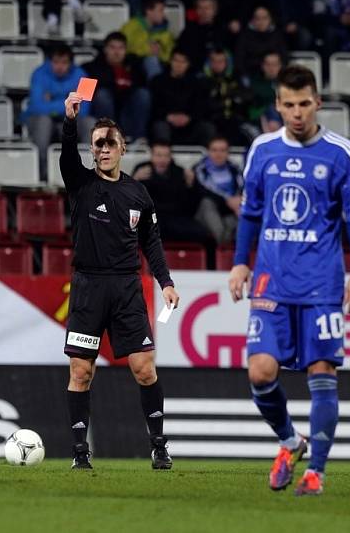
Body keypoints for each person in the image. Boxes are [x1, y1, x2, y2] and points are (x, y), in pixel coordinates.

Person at [228, 65, 350, 496]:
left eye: (304, 103)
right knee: (259, 371)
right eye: (288, 104)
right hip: (271, 281)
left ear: (318, 103)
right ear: (277, 105)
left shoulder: (340, 153)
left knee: (322, 370)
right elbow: (251, 212)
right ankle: (291, 443)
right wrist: (239, 263)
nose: (296, 113)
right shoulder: (263, 150)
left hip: (322, 285)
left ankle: (318, 473)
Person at [60, 91, 180, 470]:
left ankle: (159, 446)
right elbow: (66, 155)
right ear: (92, 149)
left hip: (127, 288)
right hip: (88, 288)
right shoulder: (80, 183)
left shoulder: (138, 193)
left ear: (123, 148)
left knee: (144, 368)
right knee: (81, 371)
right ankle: (81, 453)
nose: (105, 149)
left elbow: (152, 242)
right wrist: (69, 122)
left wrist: (165, 281)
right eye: (98, 144)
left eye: (111, 143)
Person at [132, 140, 217, 268]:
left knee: (208, 238)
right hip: (151, 220)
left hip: (177, 220)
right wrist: (135, 180)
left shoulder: (180, 173)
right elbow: (129, 201)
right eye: (158, 155)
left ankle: (212, 273)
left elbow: (191, 207)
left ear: (170, 156)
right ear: (152, 156)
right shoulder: (142, 171)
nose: (162, 159)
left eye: (165, 155)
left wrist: (191, 185)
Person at [23, 44, 94, 178]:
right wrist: (68, 102)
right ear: (50, 61)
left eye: (64, 62)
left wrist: (51, 102)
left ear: (71, 63)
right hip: (42, 120)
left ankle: (87, 172)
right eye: (56, 62)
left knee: (90, 123)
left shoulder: (84, 76)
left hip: (70, 120)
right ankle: (42, 174)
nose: (60, 66)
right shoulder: (38, 73)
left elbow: (84, 110)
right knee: (44, 121)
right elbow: (37, 107)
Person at [82, 32, 151, 143]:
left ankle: (139, 139)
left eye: (121, 48)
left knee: (143, 94)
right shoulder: (90, 68)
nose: (116, 52)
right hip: (101, 115)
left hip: (128, 115)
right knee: (102, 95)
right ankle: (107, 137)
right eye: (112, 47)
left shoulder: (135, 67)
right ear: (105, 49)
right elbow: (84, 96)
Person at [150, 48, 215, 145]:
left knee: (207, 128)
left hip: (190, 124)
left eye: (183, 61)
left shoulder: (196, 83)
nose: (179, 64)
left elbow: (201, 106)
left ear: (188, 64)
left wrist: (189, 117)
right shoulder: (158, 81)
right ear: (170, 61)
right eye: (176, 60)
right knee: (160, 127)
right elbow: (154, 106)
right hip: (166, 122)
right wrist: (168, 117)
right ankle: (162, 156)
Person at [193, 135, 243, 245]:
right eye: (214, 150)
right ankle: (223, 243)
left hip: (230, 212)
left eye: (222, 150)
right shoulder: (199, 170)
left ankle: (226, 247)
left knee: (240, 214)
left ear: (228, 152)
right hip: (207, 213)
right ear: (208, 152)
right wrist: (228, 200)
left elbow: (242, 190)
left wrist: (237, 201)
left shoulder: (235, 170)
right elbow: (202, 193)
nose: (218, 154)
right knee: (207, 203)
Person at [120, 0, 175, 80]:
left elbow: (170, 55)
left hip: (161, 66)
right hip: (134, 66)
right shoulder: (131, 26)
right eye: (161, 10)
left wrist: (159, 53)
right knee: (151, 60)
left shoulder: (165, 32)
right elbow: (122, 48)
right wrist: (148, 50)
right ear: (149, 11)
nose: (163, 14)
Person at [176, 0, 229, 74]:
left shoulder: (223, 29)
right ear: (196, 10)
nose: (203, 11)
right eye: (200, 8)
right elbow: (181, 53)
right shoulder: (189, 30)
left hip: (219, 71)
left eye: (207, 8)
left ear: (215, 10)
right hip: (195, 72)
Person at [234, 5, 288, 81]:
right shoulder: (244, 36)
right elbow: (239, 60)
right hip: (251, 77)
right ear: (252, 20)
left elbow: (284, 58)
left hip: (275, 76)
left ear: (270, 19)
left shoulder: (278, 35)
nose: (261, 22)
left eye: (264, 18)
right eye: (257, 18)